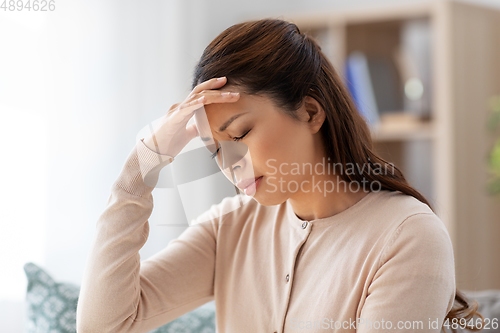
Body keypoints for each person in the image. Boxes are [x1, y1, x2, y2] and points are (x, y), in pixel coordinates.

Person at [76, 18, 484, 333]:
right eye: (216, 149)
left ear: (310, 112)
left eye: (240, 133)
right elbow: (105, 324)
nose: (229, 162)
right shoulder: (230, 227)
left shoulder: (407, 236)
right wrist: (141, 167)